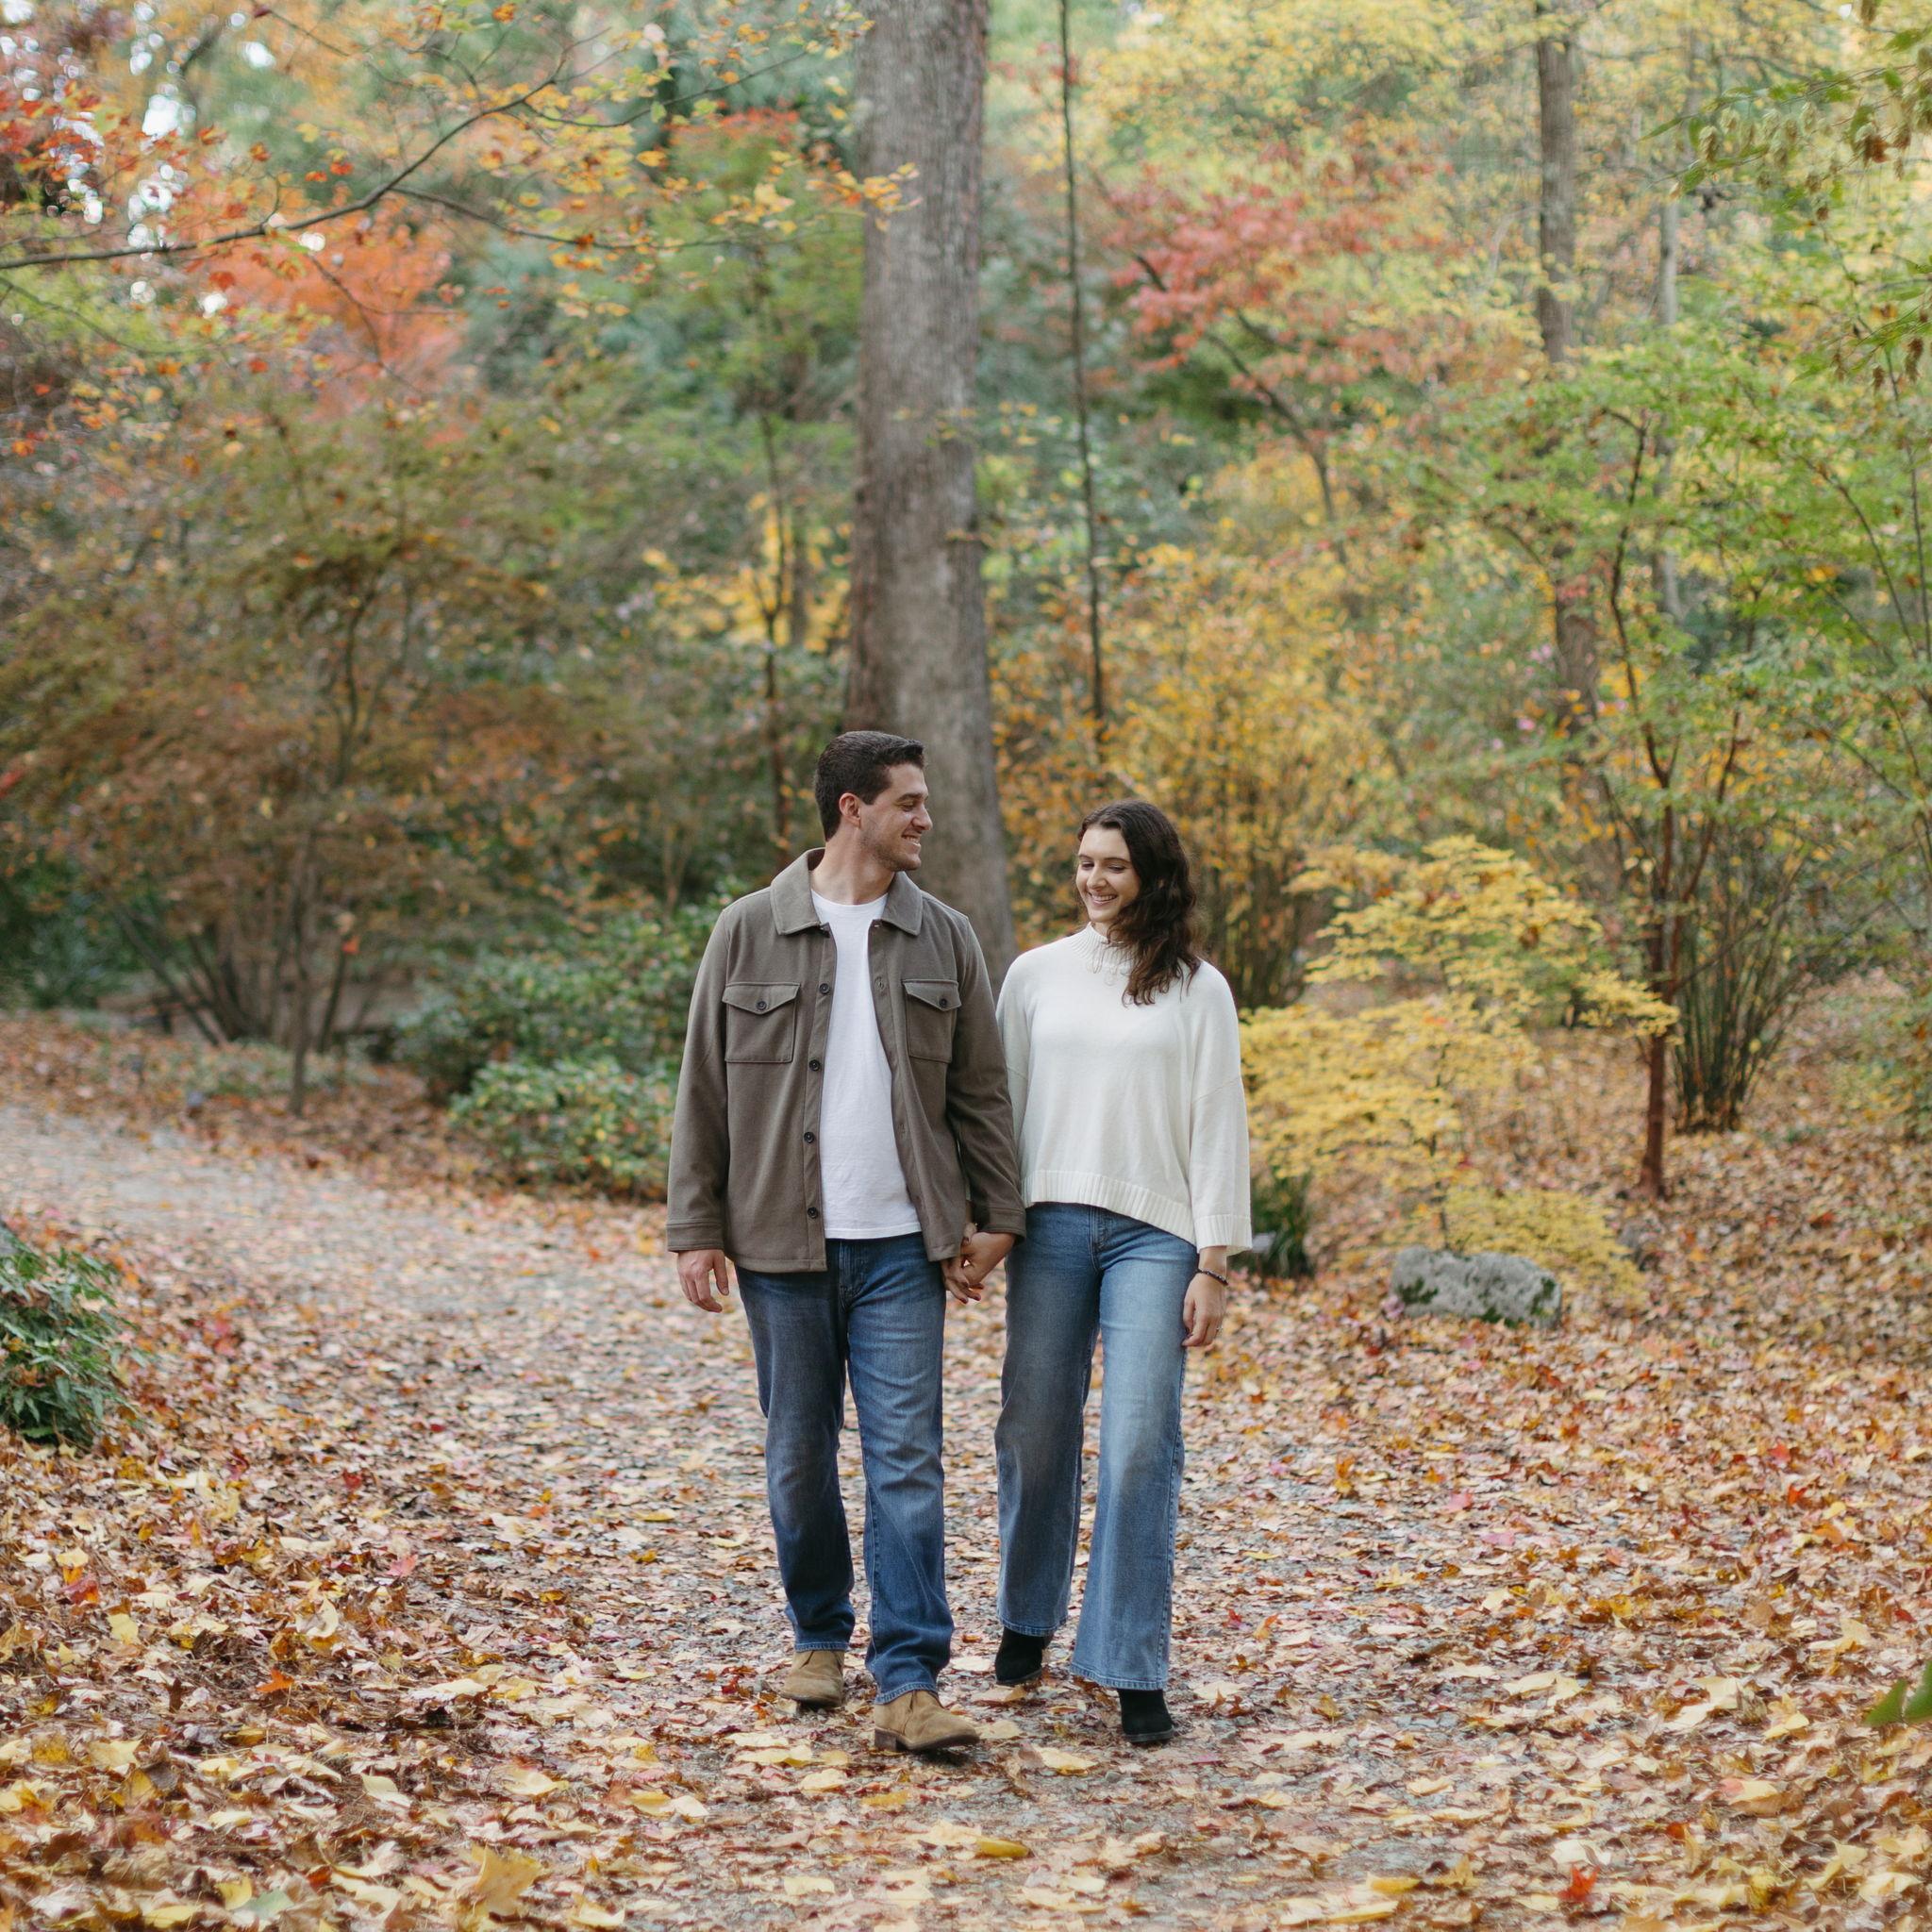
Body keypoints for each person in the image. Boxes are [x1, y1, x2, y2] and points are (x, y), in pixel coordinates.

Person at [667, 730, 1024, 1756]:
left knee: (906, 1459)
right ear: (850, 809)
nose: (923, 818)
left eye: (923, 801)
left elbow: (980, 1093)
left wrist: (998, 1217)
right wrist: (695, 1227)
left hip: (904, 1250)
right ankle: (818, 1635)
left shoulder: (943, 936)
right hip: (780, 1246)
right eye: (906, 802)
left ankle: (909, 1676)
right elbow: (702, 1088)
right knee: (797, 1456)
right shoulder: (747, 930)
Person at [962, 798, 1250, 1746]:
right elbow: (996, 1105)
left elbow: (1216, 1121)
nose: (1094, 880)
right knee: (1034, 1424)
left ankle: (1130, 1665)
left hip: (1154, 1235)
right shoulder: (1035, 974)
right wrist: (988, 1221)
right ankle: (1023, 1618)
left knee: (1137, 1442)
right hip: (1046, 1225)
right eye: (1084, 862)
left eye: (1114, 865)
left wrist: (1213, 1261)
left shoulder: (1196, 988)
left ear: (1151, 874)